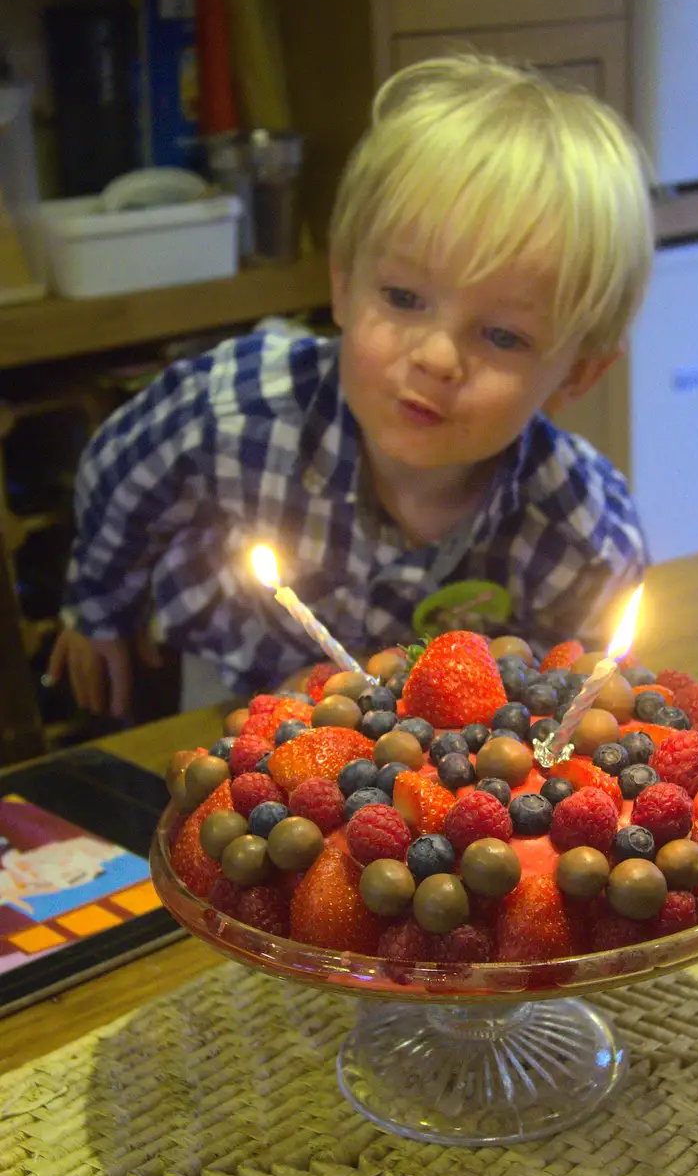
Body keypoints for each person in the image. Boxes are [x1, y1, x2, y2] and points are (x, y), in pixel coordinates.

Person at [51, 54, 654, 718]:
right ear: (342, 283)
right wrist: (98, 608)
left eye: (502, 336)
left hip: (426, 768)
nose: (437, 357)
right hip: (233, 685)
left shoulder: (584, 538)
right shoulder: (231, 411)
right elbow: (120, 470)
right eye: (403, 297)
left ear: (579, 371)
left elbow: (578, 709)